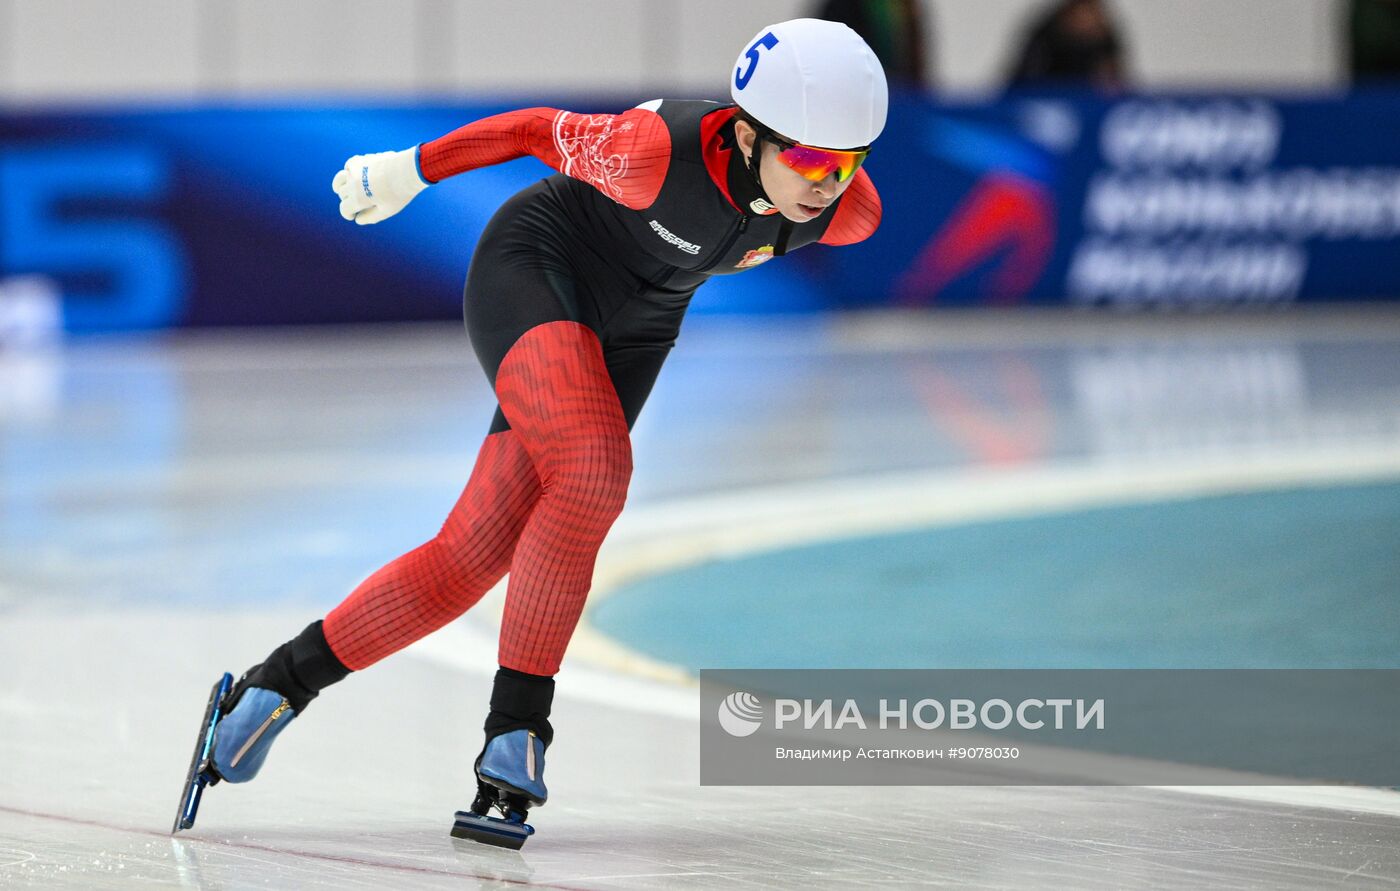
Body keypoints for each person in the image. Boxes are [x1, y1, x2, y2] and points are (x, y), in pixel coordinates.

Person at [175, 18, 886, 848]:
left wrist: (824, 176)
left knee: (471, 554)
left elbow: (807, 200)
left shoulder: (848, 214)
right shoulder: (650, 149)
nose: (827, 184)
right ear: (746, 130)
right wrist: (407, 170)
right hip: (536, 267)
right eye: (806, 158)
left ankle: (269, 691)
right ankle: (517, 732)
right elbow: (528, 129)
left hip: (635, 331)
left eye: (848, 162)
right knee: (593, 472)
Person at [1007, 0, 1128, 91]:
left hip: (1089, 104)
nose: (1088, 21)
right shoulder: (1045, 38)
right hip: (1048, 98)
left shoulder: (1104, 38)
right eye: (1083, 14)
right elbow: (1025, 81)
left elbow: (1114, 78)